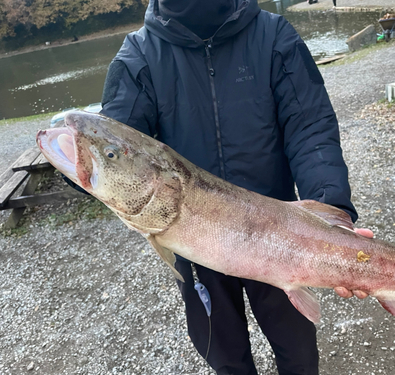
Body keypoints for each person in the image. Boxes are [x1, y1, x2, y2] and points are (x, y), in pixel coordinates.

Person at [100, 0, 372, 373]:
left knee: (299, 353)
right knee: (226, 358)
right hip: (195, 239)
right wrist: (77, 169)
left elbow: (310, 129)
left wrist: (331, 214)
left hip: (279, 234)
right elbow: (113, 143)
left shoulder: (274, 35)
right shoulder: (139, 54)